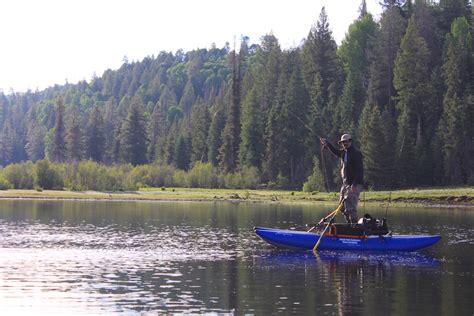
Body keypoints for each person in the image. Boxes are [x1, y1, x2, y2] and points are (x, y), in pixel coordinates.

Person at [319, 134, 364, 223]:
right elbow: (335, 151)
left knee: (350, 207)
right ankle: (349, 224)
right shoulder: (344, 152)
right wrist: (327, 143)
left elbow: (359, 170)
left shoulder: (356, 153)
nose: (345, 143)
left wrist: (354, 184)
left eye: (347, 141)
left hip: (354, 184)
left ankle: (354, 227)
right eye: (343, 142)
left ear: (351, 141)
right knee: (342, 206)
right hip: (345, 184)